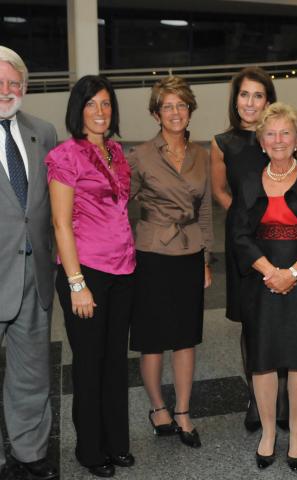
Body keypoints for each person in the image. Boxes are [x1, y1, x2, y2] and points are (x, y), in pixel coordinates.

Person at [211, 67, 297, 432]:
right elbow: (221, 191)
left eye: (258, 95)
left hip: (288, 247)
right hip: (248, 247)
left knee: (288, 320)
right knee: (253, 322)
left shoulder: (281, 135)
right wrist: (248, 220)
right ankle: (258, 399)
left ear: (269, 100)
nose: (250, 102)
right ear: (235, 100)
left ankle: (284, 399)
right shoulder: (223, 143)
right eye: (244, 95)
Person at [232, 102, 297, 472]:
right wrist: (270, 271)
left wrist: (292, 272)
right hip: (261, 283)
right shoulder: (248, 182)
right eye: (270, 133)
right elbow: (240, 235)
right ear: (261, 141)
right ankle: (269, 433)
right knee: (263, 359)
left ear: (296, 139)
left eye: (285, 132)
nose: (277, 139)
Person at [46, 75, 136, 478]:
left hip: (124, 269)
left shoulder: (117, 151)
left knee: (116, 361)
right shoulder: (65, 156)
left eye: (105, 104)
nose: (100, 112)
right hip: (87, 273)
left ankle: (117, 441)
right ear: (77, 110)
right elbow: (61, 224)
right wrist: (76, 283)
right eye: (91, 105)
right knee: (89, 362)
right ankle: (89, 449)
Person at [128, 76, 213, 449]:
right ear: (156, 113)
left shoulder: (202, 155)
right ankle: (157, 407)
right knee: (152, 340)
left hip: (190, 252)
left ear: (190, 109)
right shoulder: (140, 155)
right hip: (151, 253)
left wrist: (207, 259)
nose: (175, 112)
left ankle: (182, 410)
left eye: (181, 105)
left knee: (186, 338)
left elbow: (205, 209)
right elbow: (120, 205)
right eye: (167, 106)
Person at [0, 46, 58, 480]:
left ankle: (30, 450)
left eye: (13, 82)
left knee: (33, 370)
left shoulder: (44, 131)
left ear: (25, 86)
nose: (6, 90)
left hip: (35, 276)